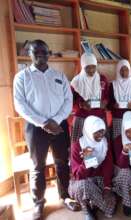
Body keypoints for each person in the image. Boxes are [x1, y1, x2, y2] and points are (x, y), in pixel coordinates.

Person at [13, 40, 79, 219]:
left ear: (49, 54)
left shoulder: (60, 76)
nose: (41, 56)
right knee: (37, 167)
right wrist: (43, 122)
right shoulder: (22, 77)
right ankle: (38, 203)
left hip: (59, 126)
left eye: (44, 52)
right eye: (37, 52)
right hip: (35, 128)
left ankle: (65, 196)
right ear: (30, 54)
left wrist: (55, 121)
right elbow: (20, 105)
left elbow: (68, 101)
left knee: (62, 162)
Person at [69, 116, 116, 220]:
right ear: (89, 131)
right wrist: (86, 161)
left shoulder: (104, 143)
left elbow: (108, 166)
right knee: (82, 186)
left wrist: (107, 187)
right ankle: (87, 209)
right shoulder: (77, 146)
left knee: (110, 209)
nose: (101, 135)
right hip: (83, 179)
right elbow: (77, 175)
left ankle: (93, 202)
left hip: (99, 179)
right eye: (97, 132)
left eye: (102, 131)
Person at [71, 53, 109, 143]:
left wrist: (104, 103)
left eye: (93, 67)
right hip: (82, 118)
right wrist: (81, 105)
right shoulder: (76, 81)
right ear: (83, 67)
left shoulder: (102, 79)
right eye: (88, 67)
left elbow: (107, 96)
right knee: (80, 144)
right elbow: (70, 102)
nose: (91, 70)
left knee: (101, 144)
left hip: (99, 117)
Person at [109, 60, 131, 140]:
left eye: (126, 69)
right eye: (121, 70)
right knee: (118, 140)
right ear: (118, 71)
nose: (124, 72)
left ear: (129, 70)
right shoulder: (113, 85)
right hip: (118, 117)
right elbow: (109, 103)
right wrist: (113, 105)